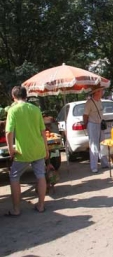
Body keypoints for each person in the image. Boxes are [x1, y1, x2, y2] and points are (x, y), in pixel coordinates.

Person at [5, 86, 48, 216]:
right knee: (40, 176)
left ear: (13, 97)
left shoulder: (13, 110)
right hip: (38, 149)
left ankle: (16, 209)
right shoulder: (36, 109)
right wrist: (46, 149)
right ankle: (41, 205)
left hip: (22, 151)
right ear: (26, 96)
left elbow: (8, 132)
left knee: (14, 176)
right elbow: (43, 131)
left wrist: (11, 149)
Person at [83, 87, 109, 173]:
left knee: (103, 143)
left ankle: (104, 163)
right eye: (101, 91)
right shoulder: (89, 102)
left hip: (100, 124)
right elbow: (85, 115)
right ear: (96, 92)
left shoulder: (100, 101)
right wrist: (86, 125)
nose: (102, 92)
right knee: (94, 145)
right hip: (92, 124)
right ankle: (94, 166)